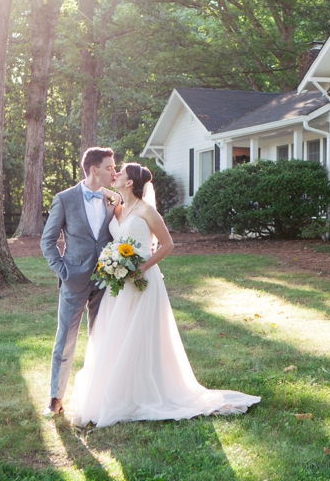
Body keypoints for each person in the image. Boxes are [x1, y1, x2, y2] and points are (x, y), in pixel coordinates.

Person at [68, 163, 260, 427]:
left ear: (130, 182)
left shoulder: (148, 211)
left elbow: (168, 244)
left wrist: (142, 267)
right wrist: (116, 264)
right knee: (119, 332)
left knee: (142, 334)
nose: (116, 175)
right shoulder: (118, 207)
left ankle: (148, 390)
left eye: (120, 173)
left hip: (144, 279)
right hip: (120, 282)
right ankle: (117, 388)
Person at [40, 147, 120, 417]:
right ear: (94, 169)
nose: (114, 172)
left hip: (106, 280)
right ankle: (55, 398)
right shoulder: (64, 199)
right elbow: (47, 240)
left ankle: (100, 396)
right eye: (110, 167)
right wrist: (63, 270)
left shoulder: (114, 199)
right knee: (65, 341)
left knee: (102, 338)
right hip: (73, 279)